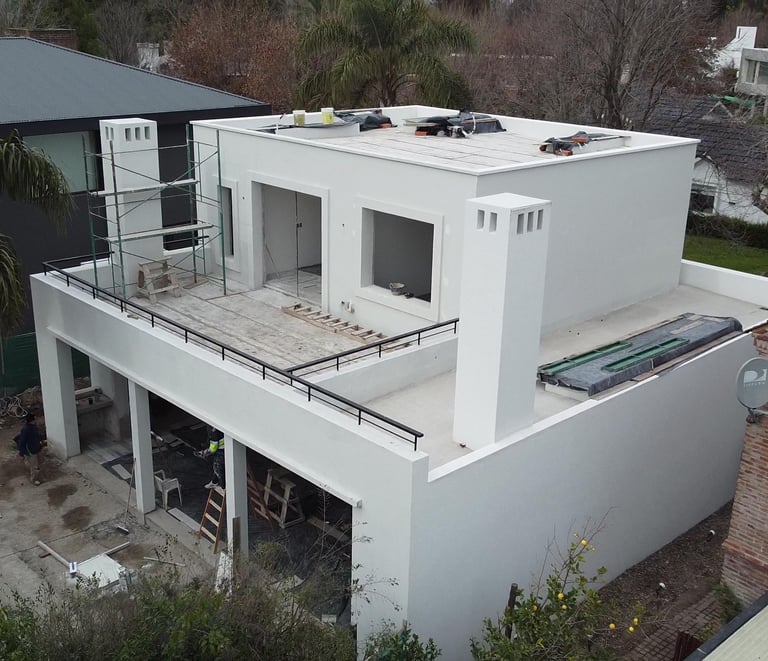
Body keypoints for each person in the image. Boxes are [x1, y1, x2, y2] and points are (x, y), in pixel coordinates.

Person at [17, 413, 44, 485]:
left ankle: (37, 476)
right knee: (34, 466)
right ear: (32, 420)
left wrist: (41, 441)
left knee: (38, 464)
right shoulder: (26, 429)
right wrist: (22, 453)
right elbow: (22, 442)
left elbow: (37, 436)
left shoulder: (33, 427)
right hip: (31, 451)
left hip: (37, 448)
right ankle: (34, 479)